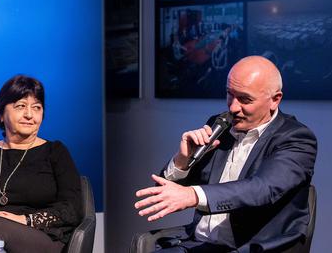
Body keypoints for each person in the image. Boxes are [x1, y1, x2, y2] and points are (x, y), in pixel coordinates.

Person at [134, 56, 317, 252]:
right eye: (230, 94)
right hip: (197, 244)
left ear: (275, 99)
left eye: (245, 99)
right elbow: (169, 192)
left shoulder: (296, 138)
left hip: (251, 248)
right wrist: (182, 160)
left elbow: (262, 188)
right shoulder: (220, 125)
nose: (233, 107)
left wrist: (193, 195)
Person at [0, 75, 82, 253]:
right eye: (20, 106)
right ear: (1, 114)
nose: (29, 115)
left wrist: (22, 220)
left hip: (41, 239)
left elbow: (71, 208)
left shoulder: (55, 151)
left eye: (37, 107)